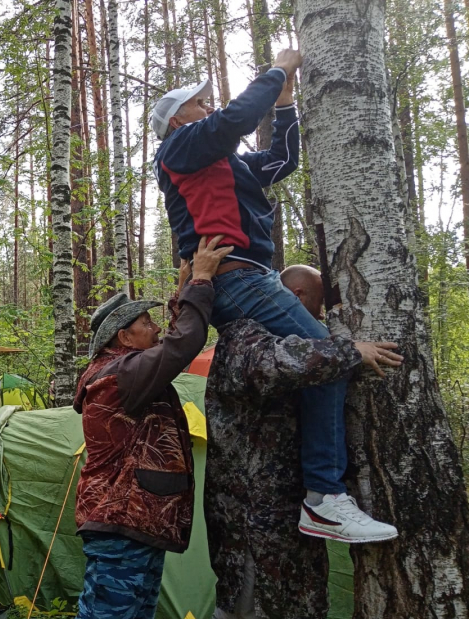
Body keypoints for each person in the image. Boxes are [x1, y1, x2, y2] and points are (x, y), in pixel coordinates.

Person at [152, 49, 397, 543]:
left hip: (248, 278)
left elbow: (281, 160)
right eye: (201, 104)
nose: (209, 107)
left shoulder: (220, 162)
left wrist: (284, 105)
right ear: (178, 119)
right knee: (328, 361)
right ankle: (324, 498)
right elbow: (237, 117)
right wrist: (278, 70)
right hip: (238, 278)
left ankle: (322, 491)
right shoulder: (178, 148)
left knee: (306, 371)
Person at [203, 266, 403, 619]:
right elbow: (273, 365)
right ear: (294, 295)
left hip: (272, 518)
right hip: (251, 522)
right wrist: (349, 350)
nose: (319, 322)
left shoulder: (269, 333)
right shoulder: (244, 334)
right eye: (316, 307)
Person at [62, 235, 232, 619]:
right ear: (124, 336)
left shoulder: (124, 369)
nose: (155, 328)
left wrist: (183, 292)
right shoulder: (120, 374)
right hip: (122, 524)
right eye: (145, 323)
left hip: (136, 525)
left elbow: (171, 342)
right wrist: (199, 281)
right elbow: (182, 345)